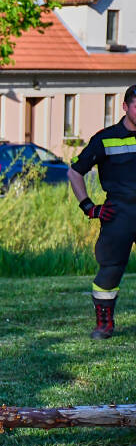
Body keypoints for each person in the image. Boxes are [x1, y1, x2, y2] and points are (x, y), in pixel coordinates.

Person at [67, 85, 136, 340]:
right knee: (110, 268)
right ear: (125, 107)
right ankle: (104, 324)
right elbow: (74, 173)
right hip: (119, 214)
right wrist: (89, 207)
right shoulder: (105, 138)